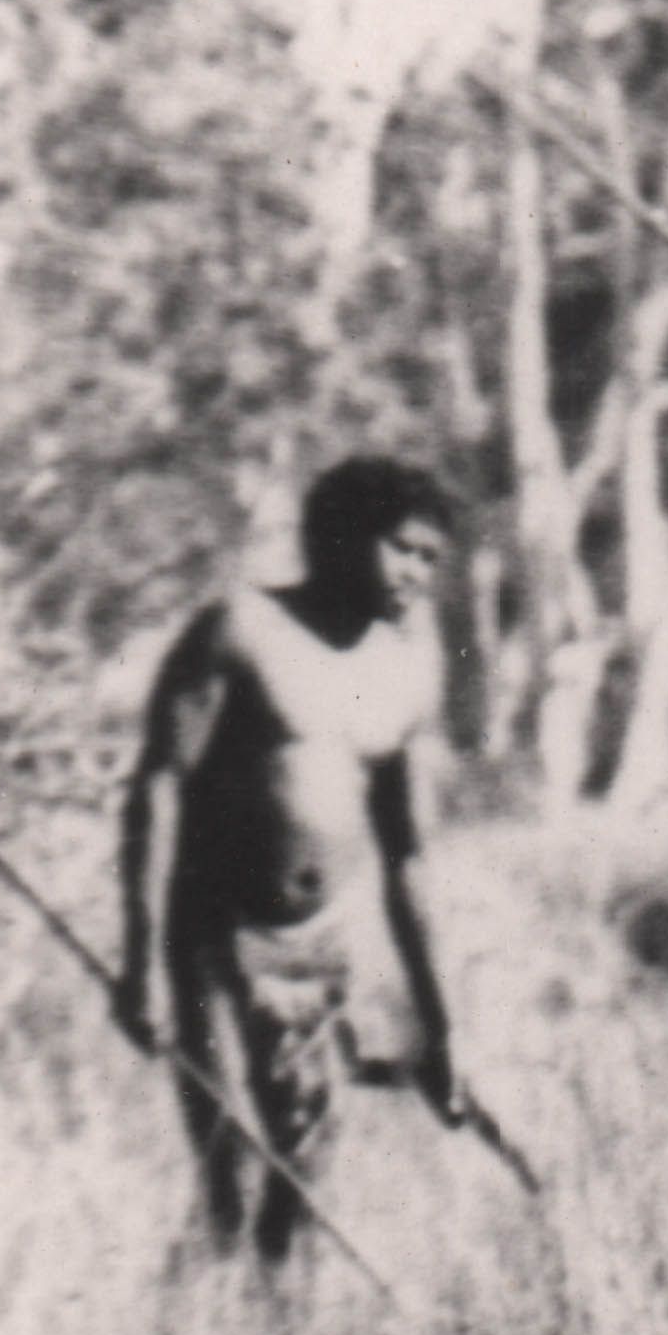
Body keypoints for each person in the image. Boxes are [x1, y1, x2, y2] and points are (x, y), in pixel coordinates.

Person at [110, 457, 473, 1270]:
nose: (416, 574)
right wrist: (140, 965)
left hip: (324, 941)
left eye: (429, 559)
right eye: (401, 549)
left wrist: (438, 1023)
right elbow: (157, 789)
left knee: (307, 1157)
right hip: (215, 932)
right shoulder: (239, 632)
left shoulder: (405, 668)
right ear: (339, 538)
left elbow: (407, 852)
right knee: (229, 1162)